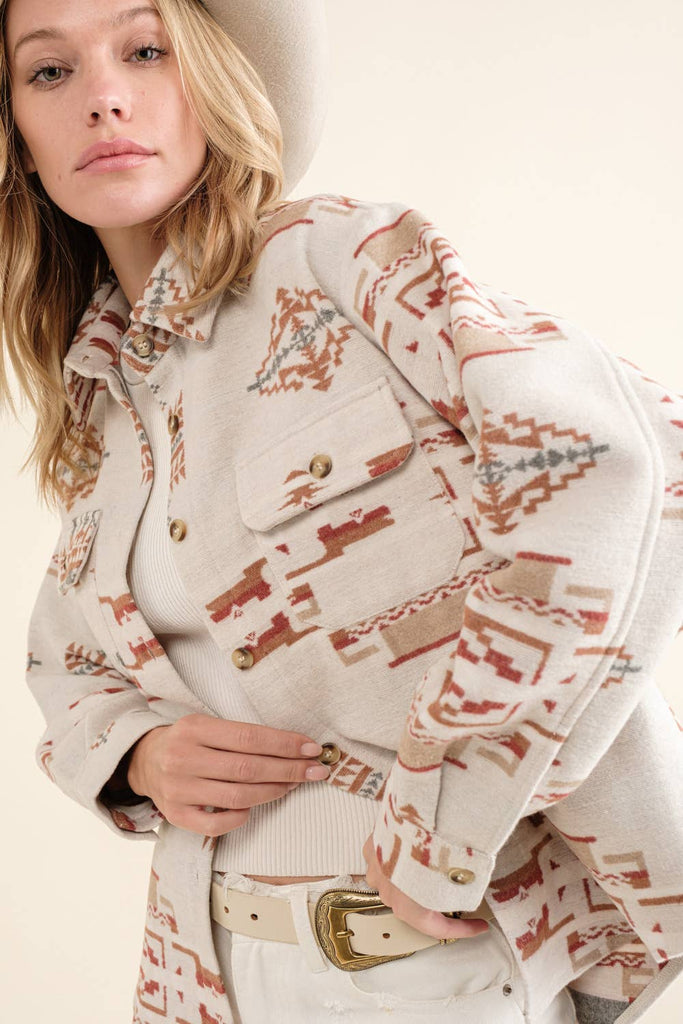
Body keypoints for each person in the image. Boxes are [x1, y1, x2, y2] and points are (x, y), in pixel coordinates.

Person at [3, 0, 682, 1021]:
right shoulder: (107, 392)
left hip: (424, 966)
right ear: (17, 129)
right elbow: (69, 660)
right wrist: (137, 755)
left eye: (146, 51)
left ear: (215, 79)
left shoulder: (334, 263)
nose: (103, 95)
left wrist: (446, 819)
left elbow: (610, 460)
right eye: (47, 72)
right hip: (208, 970)